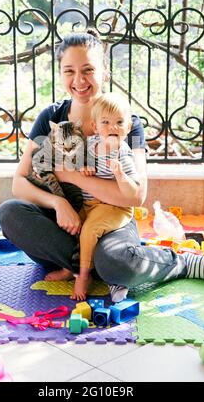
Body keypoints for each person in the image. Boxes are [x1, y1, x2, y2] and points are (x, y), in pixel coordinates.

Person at [0, 29, 204, 304]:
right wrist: (59, 204)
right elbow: (20, 182)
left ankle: (175, 263)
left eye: (88, 70)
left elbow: (135, 195)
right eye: (69, 71)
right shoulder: (52, 116)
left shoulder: (124, 119)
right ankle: (94, 265)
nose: (79, 80)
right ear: (60, 74)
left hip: (110, 220)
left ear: (104, 72)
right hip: (67, 225)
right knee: (10, 212)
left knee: (114, 259)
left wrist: (72, 176)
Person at [60, 92, 140, 301]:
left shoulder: (123, 154)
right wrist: (85, 167)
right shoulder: (91, 144)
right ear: (95, 127)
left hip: (114, 208)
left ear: (128, 127)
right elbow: (76, 165)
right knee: (72, 227)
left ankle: (83, 276)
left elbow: (133, 194)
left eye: (119, 122)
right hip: (90, 204)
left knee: (89, 231)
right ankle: (70, 269)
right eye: (106, 122)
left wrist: (121, 176)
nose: (112, 127)